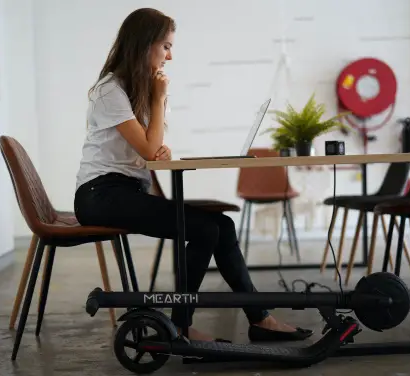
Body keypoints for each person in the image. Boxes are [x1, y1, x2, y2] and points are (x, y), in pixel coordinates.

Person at [73, 7, 313, 343]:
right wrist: (159, 104)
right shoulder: (111, 89)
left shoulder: (135, 91)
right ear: (144, 45)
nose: (170, 56)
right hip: (101, 195)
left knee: (221, 226)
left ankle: (260, 319)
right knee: (202, 230)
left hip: (124, 191)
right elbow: (146, 149)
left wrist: (158, 148)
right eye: (166, 46)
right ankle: (181, 327)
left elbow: (149, 148)